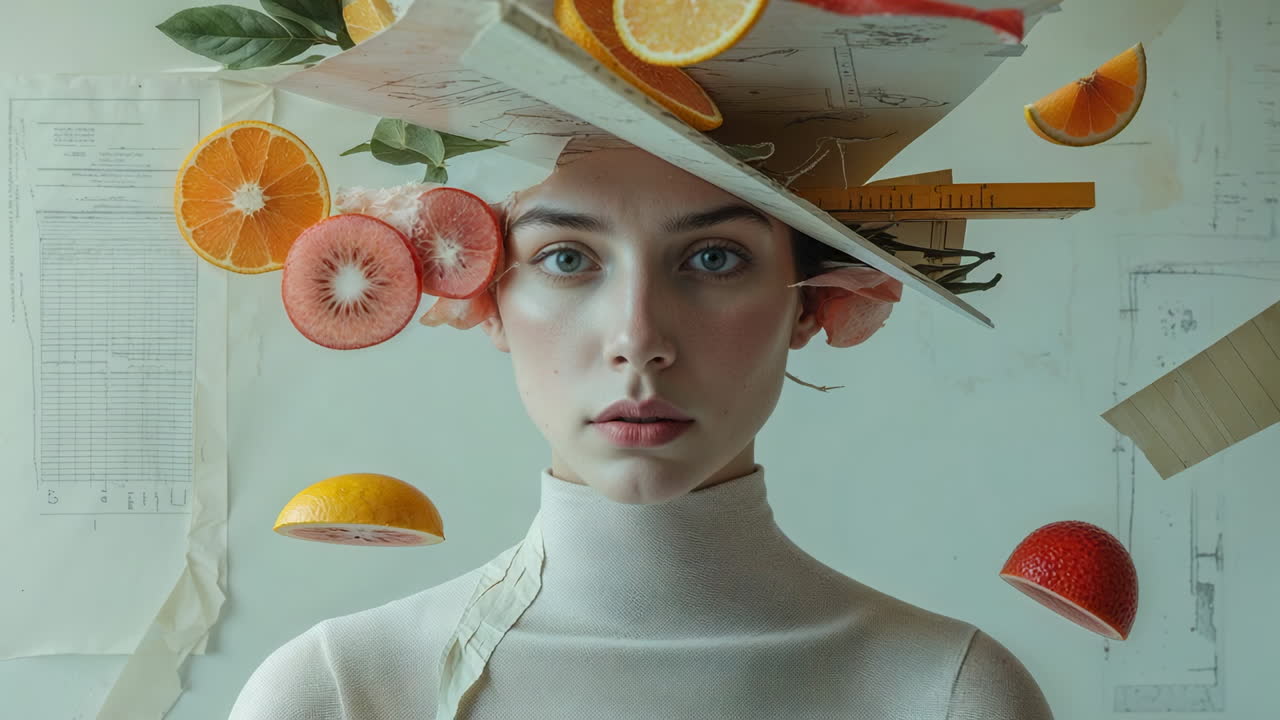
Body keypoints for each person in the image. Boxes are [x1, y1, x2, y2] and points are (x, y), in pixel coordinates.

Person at [229, 147, 1054, 719]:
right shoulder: (339, 693)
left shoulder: (953, 695)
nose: (638, 336)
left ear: (816, 301)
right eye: (566, 258)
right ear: (483, 299)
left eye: (714, 258)